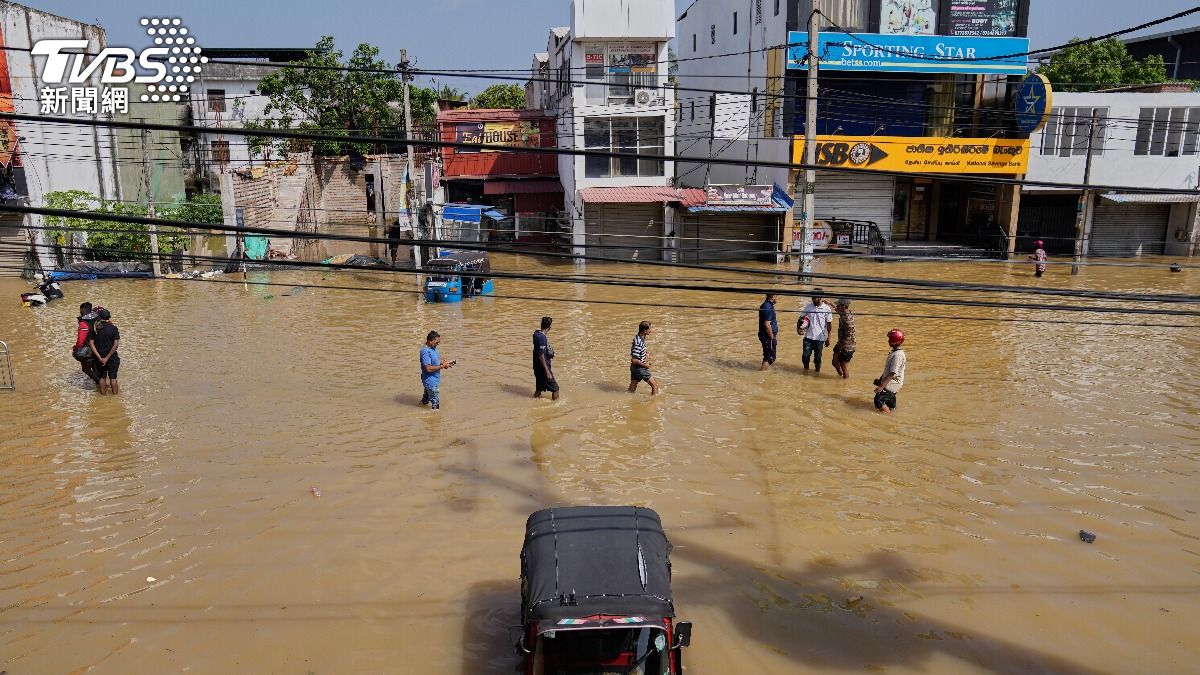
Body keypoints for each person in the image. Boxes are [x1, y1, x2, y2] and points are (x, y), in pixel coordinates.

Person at [797, 291, 833, 373]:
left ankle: (817, 373)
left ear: (820, 298)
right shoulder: (808, 307)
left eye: (814, 298)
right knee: (805, 357)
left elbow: (829, 325)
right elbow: (800, 318)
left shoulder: (827, 308)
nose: (813, 300)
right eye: (812, 298)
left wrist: (829, 338)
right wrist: (798, 329)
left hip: (820, 339)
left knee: (817, 359)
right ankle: (805, 371)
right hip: (808, 337)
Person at [873, 329, 907, 414]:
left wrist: (881, 386)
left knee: (878, 401)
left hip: (892, 384)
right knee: (891, 405)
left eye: (890, 339)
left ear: (895, 342)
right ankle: (892, 414)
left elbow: (892, 373)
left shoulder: (898, 355)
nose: (888, 341)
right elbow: (888, 370)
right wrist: (880, 381)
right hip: (892, 383)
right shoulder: (895, 352)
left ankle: (889, 417)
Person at [88, 308, 120, 395]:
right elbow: (115, 345)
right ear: (109, 317)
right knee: (113, 379)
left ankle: (103, 396)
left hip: (99, 358)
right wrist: (107, 357)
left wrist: (100, 357)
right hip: (112, 357)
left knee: (102, 378)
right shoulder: (113, 328)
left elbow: (91, 344)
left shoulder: (94, 329)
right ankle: (115, 398)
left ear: (100, 317)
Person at [420, 330, 455, 410]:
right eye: (436, 342)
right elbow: (428, 368)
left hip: (434, 380)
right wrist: (442, 366)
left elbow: (437, 360)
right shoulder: (425, 351)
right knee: (436, 406)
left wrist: (446, 363)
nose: (437, 344)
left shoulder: (433, 348)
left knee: (425, 400)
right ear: (430, 341)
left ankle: (420, 408)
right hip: (430, 382)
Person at [628, 321, 658, 395]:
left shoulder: (640, 337)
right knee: (655, 386)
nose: (651, 330)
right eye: (649, 329)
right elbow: (634, 360)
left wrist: (645, 354)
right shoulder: (639, 342)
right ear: (645, 331)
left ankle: (627, 401)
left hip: (635, 368)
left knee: (632, 388)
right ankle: (653, 404)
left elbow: (637, 354)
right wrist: (646, 365)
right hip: (640, 368)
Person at [72, 302, 100, 384]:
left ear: (83, 309)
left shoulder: (83, 322)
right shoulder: (97, 317)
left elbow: (81, 338)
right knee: (95, 365)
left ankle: (99, 383)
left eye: (80, 310)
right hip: (99, 346)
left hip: (89, 348)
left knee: (85, 368)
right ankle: (100, 380)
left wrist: (76, 347)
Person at [533, 316, 559, 400]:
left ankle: (534, 402)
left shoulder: (536, 334)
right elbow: (541, 355)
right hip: (543, 368)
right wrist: (547, 371)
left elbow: (540, 351)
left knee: (539, 389)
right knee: (555, 389)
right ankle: (556, 407)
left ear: (541, 324)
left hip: (537, 367)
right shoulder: (542, 338)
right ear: (550, 327)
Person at [831, 298, 856, 379]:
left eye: (839, 305)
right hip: (841, 343)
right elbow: (837, 310)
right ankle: (840, 375)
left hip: (847, 346)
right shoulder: (844, 313)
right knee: (834, 362)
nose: (837, 306)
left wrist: (841, 348)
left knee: (844, 367)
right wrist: (829, 304)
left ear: (844, 306)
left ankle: (845, 383)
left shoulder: (847, 319)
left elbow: (848, 335)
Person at [758, 293, 779, 371]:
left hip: (765, 335)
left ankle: (762, 373)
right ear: (773, 297)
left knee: (767, 356)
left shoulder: (766, 305)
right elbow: (767, 324)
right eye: (777, 296)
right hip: (768, 336)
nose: (777, 298)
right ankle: (761, 373)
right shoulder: (768, 307)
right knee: (771, 358)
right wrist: (771, 337)